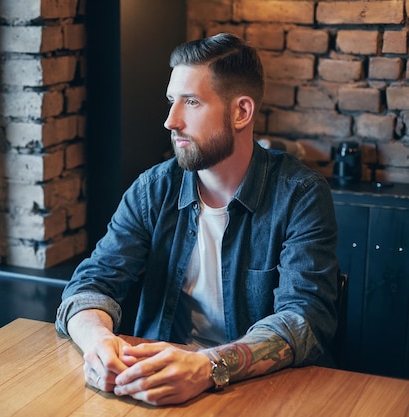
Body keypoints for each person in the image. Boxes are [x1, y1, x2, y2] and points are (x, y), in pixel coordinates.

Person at [55, 33, 338, 406]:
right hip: (156, 387)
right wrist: (98, 341)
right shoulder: (153, 189)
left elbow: (304, 320)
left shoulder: (300, 195)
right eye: (172, 101)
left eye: (191, 102)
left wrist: (207, 367)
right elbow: (91, 284)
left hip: (260, 394)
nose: (171, 121)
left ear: (241, 112)